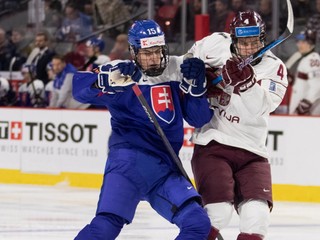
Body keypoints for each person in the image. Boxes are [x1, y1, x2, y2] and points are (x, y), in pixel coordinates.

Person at [72, 19, 213, 240]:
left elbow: (199, 118)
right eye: (146, 53)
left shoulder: (177, 68)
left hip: (166, 169)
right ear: (134, 52)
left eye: (157, 51)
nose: (153, 58)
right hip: (128, 164)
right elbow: (79, 89)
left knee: (198, 223)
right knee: (105, 227)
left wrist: (197, 86)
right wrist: (107, 81)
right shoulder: (119, 70)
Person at [186, 10, 288, 239]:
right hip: (214, 144)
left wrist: (247, 83)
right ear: (233, 40)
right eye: (244, 43)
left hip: (252, 150)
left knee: (257, 217)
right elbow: (186, 63)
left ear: (263, 39)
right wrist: (200, 79)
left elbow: (263, 107)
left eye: (255, 42)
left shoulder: (275, 67)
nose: (251, 48)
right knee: (217, 212)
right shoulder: (213, 45)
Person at [288, 28, 320, 115]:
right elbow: (304, 81)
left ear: (310, 44)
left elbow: (317, 86)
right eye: (298, 42)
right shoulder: (306, 58)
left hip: (308, 112)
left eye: (303, 42)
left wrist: (305, 105)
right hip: (303, 110)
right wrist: (293, 79)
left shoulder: (312, 59)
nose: (299, 45)